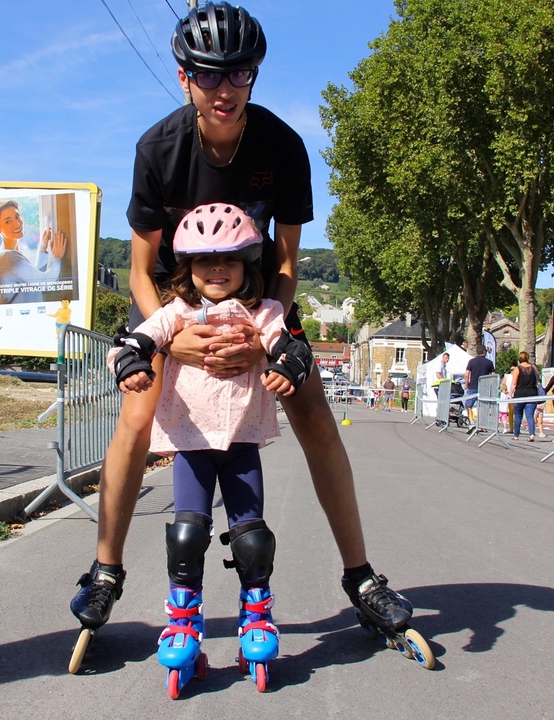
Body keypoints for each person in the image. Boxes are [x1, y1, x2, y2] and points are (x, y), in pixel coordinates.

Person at [70, 1, 413, 652]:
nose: (223, 91)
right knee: (137, 417)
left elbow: (285, 262)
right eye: (208, 76)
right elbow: (142, 271)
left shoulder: (281, 147)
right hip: (173, 307)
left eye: (239, 75)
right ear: (184, 78)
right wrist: (175, 336)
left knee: (313, 411)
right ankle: (107, 569)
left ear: (254, 74)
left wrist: (269, 329)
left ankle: (361, 577)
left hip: (261, 304)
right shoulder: (159, 151)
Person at [108, 204, 308, 694]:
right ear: (186, 269)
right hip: (192, 444)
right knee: (186, 535)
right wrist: (130, 364)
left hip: (242, 442)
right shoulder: (175, 314)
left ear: (248, 266)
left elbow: (291, 347)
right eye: (204, 262)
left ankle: (256, 615)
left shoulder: (264, 312)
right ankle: (183, 619)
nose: (217, 271)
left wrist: (287, 367)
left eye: (230, 261)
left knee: (252, 537)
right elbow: (131, 341)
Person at [0, 199, 68, 304]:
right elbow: (44, 283)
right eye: (8, 221)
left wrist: (42, 249)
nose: (17, 224)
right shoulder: (8, 257)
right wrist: (57, 258)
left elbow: (33, 281)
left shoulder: (7, 253)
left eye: (17, 217)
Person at [509, 351, 541, 441]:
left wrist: (511, 393)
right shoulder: (533, 368)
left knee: (518, 416)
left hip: (520, 394)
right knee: (530, 416)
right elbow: (538, 380)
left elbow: (514, 383)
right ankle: (531, 434)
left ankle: (516, 435)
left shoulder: (517, 369)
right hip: (532, 394)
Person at [463, 344, 495, 431]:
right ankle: (480, 424)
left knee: (468, 405)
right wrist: (490, 385)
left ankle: (472, 422)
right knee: (482, 406)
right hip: (484, 388)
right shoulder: (489, 363)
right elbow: (493, 376)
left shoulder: (471, 362)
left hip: (472, 386)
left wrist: (467, 386)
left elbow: (466, 375)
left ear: (477, 352)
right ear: (484, 352)